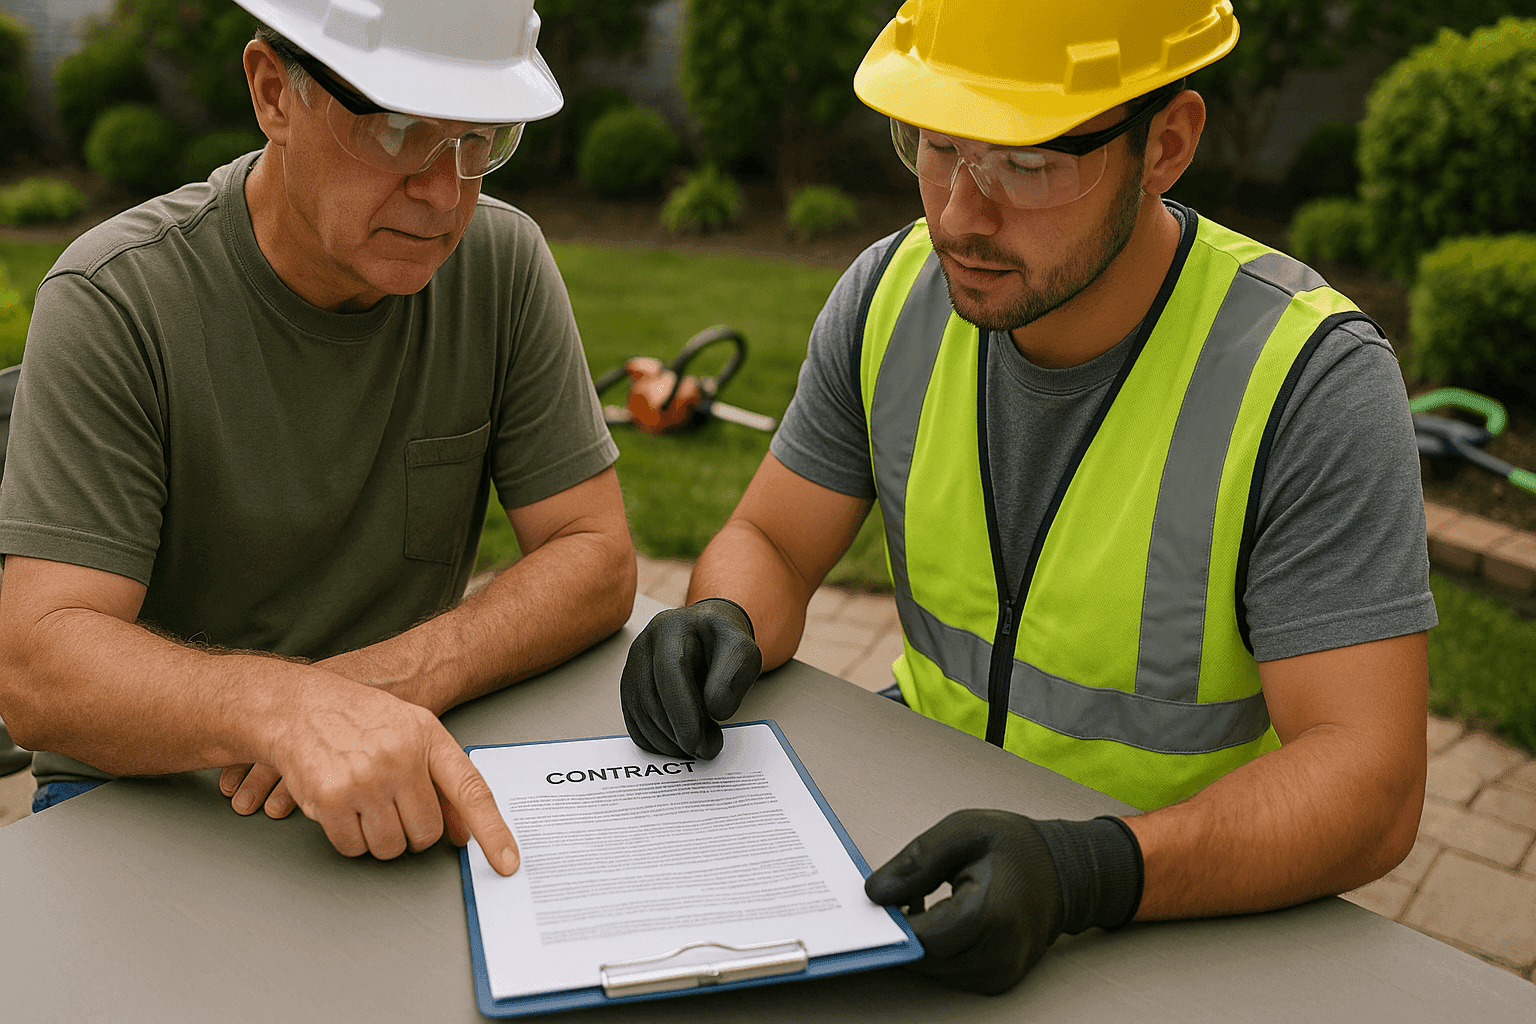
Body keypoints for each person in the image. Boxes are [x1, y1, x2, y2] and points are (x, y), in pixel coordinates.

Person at [619, 0, 1434, 994]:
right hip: (917, 843)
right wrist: (725, 613)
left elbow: (1370, 781)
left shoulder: (1308, 378)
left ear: (1165, 143)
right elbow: (774, 543)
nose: (961, 210)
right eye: (935, 144)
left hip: (1181, 895)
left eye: (1029, 162)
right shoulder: (891, 294)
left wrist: (1087, 872)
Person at [0, 0, 635, 876]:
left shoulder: (501, 264)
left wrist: (394, 679)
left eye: (479, 139)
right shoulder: (115, 301)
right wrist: (281, 708)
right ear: (272, 91)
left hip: (393, 773)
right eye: (400, 128)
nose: (445, 193)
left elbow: (595, 553)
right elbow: (38, 668)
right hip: (148, 804)